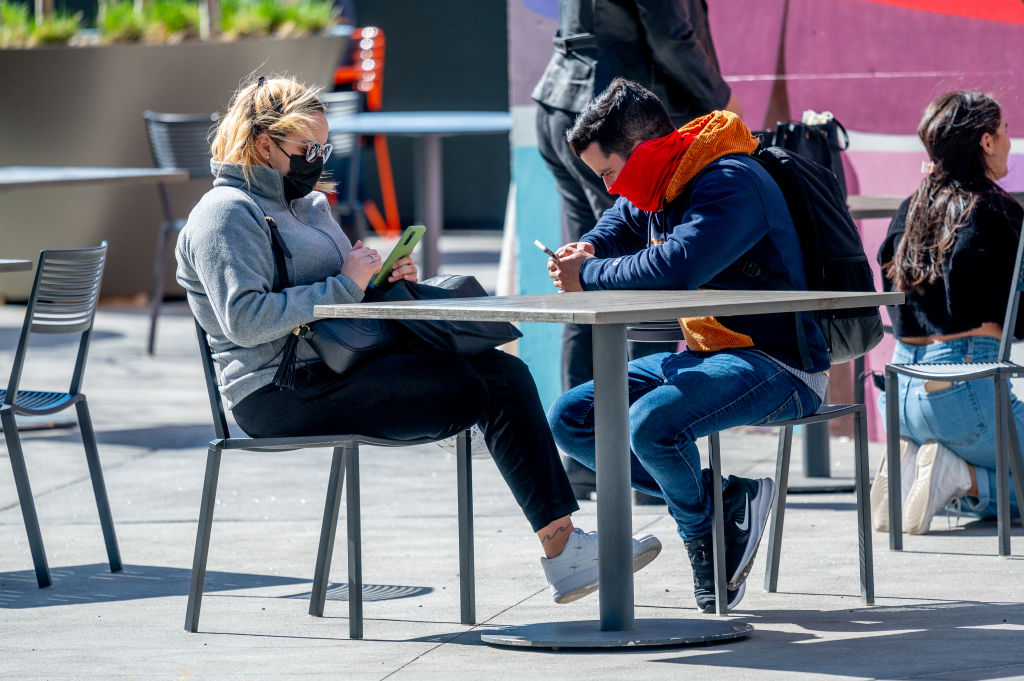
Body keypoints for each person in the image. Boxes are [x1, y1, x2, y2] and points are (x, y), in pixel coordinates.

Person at [174, 75, 662, 605]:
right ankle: (525, 492)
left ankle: (564, 549)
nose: (317, 160)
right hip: (279, 390)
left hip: (345, 363)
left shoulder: (309, 206)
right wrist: (346, 284)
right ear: (264, 143)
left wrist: (381, 280)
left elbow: (342, 297)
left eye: (324, 148)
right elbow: (244, 319)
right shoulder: (226, 213)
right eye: (307, 148)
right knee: (463, 388)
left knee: (504, 372)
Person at [545, 78, 831, 612]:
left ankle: (704, 539)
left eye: (609, 173)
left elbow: (680, 265)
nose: (610, 188)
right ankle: (724, 502)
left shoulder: (730, 181)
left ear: (644, 151)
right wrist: (589, 248)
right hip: (710, 356)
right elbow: (619, 222)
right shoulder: (666, 179)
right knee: (572, 418)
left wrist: (590, 275)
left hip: (780, 366)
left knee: (650, 425)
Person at [532, 0, 742, 501]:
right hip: (614, 113)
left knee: (582, 272)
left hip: (559, 98)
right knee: (624, 271)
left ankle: (589, 460)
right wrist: (721, 101)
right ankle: (643, 456)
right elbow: (670, 33)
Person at [875, 90, 1022, 535]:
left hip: (899, 395)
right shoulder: (996, 210)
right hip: (964, 394)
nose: (1010, 141)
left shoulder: (910, 210)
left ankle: (914, 471)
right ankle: (961, 476)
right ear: (986, 142)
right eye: (1005, 131)